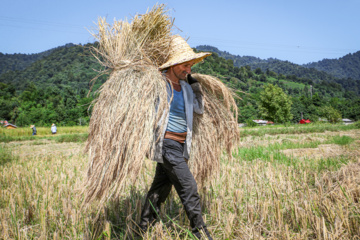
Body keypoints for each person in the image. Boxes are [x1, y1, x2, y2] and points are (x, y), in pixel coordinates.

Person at [138, 36, 213, 240]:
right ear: (172, 65)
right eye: (185, 65)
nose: (188, 70)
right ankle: (200, 233)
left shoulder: (187, 88)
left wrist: (196, 86)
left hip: (181, 145)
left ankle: (140, 231)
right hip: (166, 144)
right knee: (189, 187)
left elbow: (199, 109)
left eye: (190, 66)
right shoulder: (157, 85)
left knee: (158, 191)